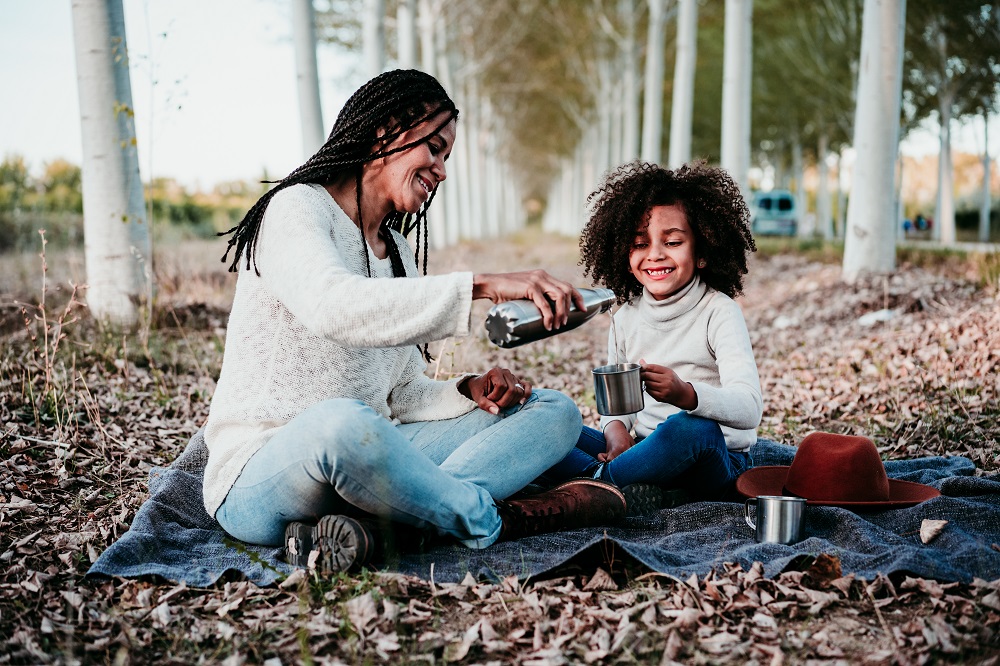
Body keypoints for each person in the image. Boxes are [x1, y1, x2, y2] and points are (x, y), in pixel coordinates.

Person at [205, 69, 625, 574]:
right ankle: (492, 519)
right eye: (435, 148)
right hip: (267, 467)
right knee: (342, 424)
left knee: (552, 411)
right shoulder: (296, 208)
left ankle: (389, 524)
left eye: (447, 157)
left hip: (375, 449)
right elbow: (333, 306)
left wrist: (466, 390)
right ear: (386, 132)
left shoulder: (397, 251)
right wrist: (480, 284)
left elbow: (401, 393)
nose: (442, 170)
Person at [541, 160, 763, 515]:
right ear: (624, 254)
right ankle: (616, 481)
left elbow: (750, 408)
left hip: (711, 458)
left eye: (672, 241)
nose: (656, 254)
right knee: (545, 415)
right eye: (640, 243)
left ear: (702, 251)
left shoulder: (718, 312)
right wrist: (616, 435)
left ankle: (594, 483)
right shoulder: (626, 316)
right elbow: (616, 408)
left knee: (692, 428)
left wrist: (686, 394)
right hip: (643, 453)